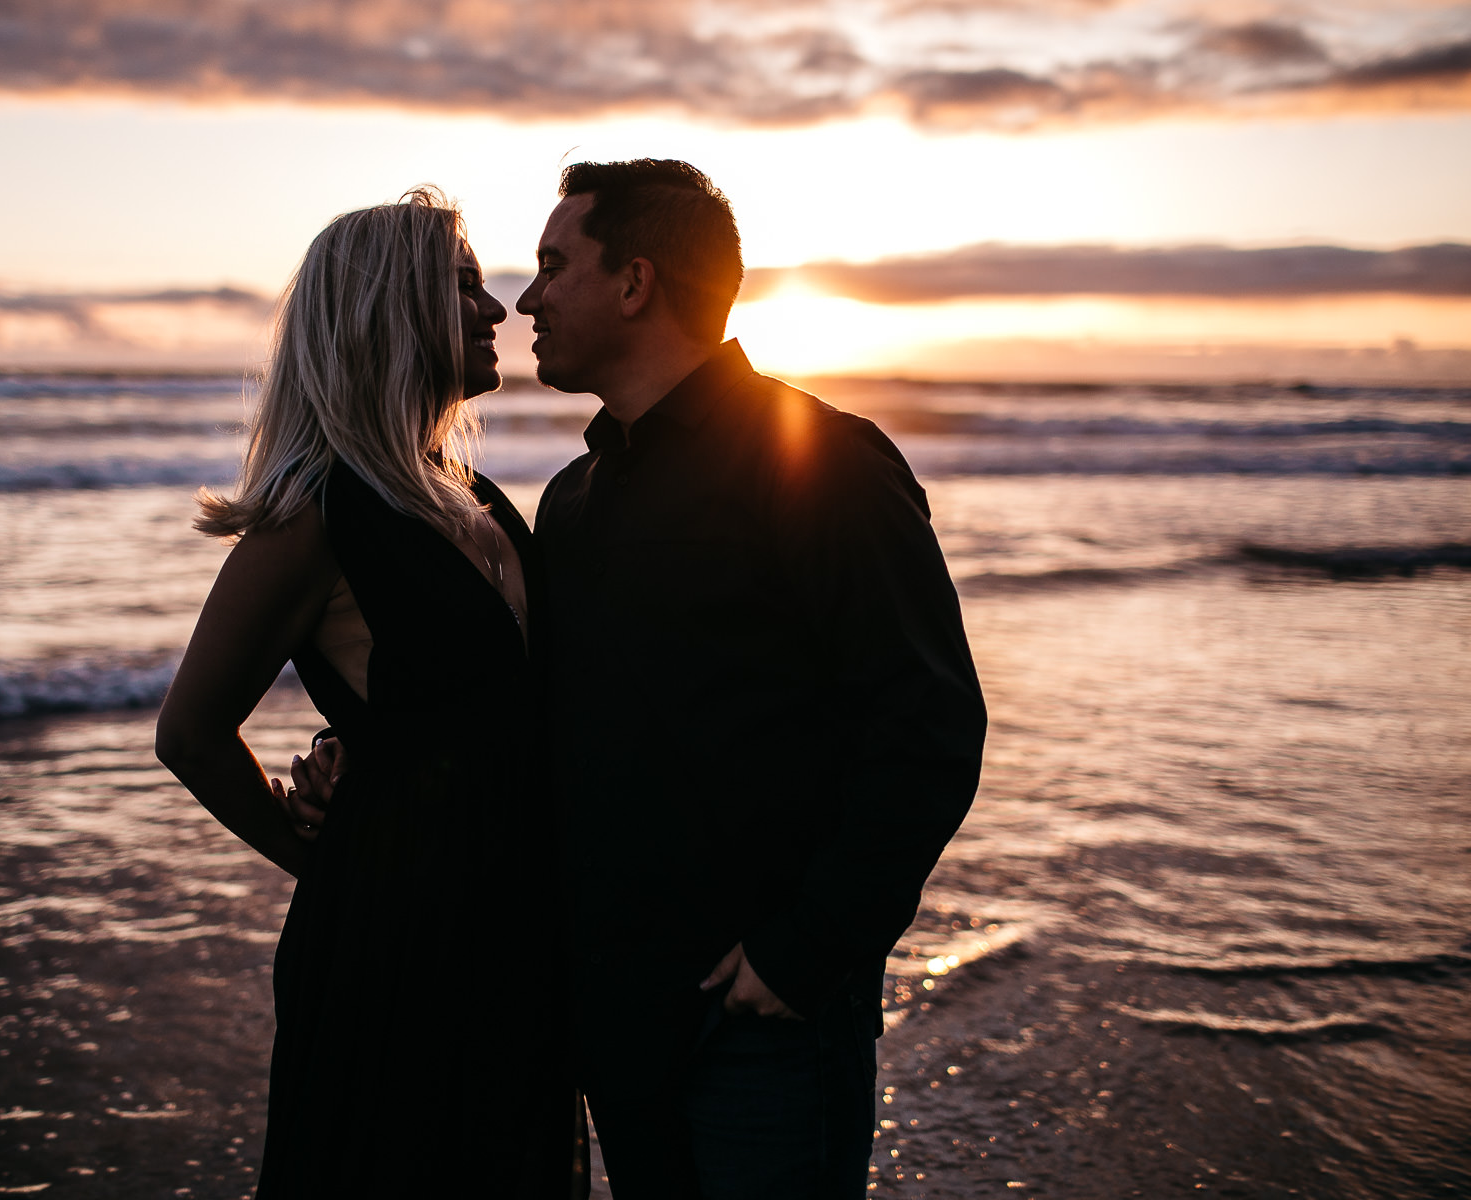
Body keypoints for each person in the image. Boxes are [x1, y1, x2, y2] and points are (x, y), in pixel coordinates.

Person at [289, 160, 986, 1198]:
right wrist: (366, 746)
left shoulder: (821, 461)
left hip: (760, 1018)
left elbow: (928, 724)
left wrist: (806, 950)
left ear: (635, 283)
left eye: (553, 265)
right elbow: (529, 704)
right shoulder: (574, 501)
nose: (527, 300)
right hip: (613, 1016)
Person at [154, 187, 577, 1199]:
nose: (496, 309)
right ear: (391, 310)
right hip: (396, 948)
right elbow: (192, 732)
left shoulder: (479, 500)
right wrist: (323, 857)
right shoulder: (315, 514)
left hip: (520, 930)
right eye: (464, 286)